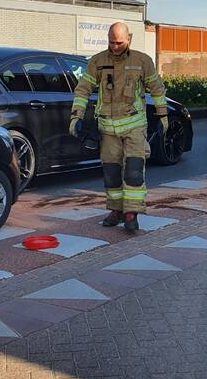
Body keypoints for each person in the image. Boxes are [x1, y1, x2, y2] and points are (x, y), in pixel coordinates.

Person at [69, 23, 168, 231]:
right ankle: (116, 210)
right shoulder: (97, 61)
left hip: (134, 126)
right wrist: (76, 116)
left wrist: (162, 116)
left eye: (119, 42)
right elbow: (83, 90)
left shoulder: (142, 61)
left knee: (133, 172)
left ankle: (131, 214)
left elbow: (157, 89)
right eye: (111, 42)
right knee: (111, 173)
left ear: (129, 39)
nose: (115, 46)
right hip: (107, 128)